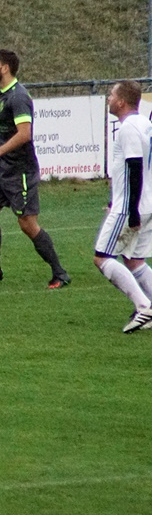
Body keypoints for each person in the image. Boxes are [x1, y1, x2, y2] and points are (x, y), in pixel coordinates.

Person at [0, 49, 72, 288]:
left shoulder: (19, 97)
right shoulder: (5, 95)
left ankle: (60, 273)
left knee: (27, 224)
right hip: (2, 170)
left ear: (4, 68)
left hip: (20, 172)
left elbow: (25, 134)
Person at [92, 81, 152, 332]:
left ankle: (144, 307)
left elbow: (134, 167)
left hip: (130, 206)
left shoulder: (128, 128)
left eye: (111, 94)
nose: (108, 98)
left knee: (102, 257)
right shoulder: (145, 124)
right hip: (146, 202)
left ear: (122, 101)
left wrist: (131, 209)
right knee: (134, 260)